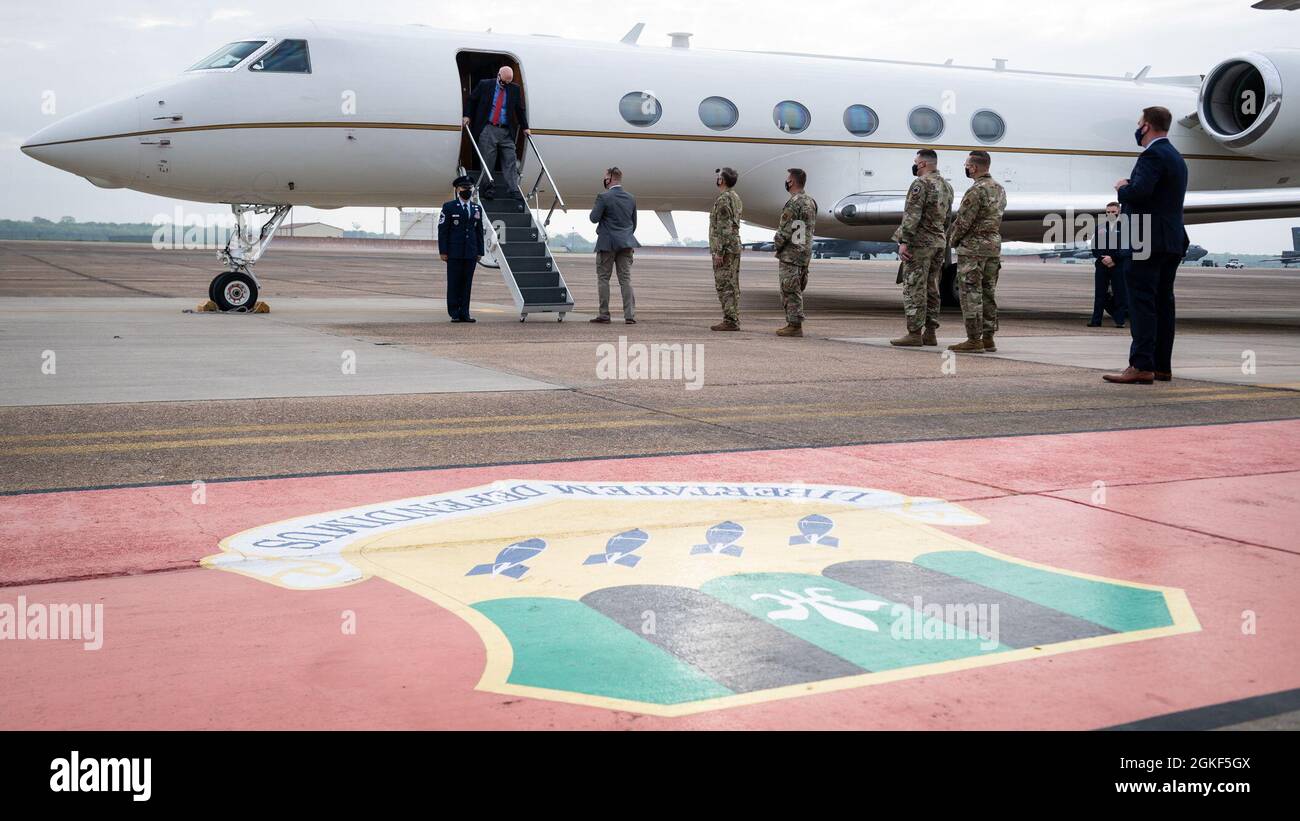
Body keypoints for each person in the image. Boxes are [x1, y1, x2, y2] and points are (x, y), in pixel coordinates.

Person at [1104, 106, 1188, 385]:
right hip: (1171, 241)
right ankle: (1162, 366)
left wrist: (1122, 187)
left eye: (1140, 123)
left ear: (1148, 126)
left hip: (1146, 241)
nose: (1138, 127)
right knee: (1164, 304)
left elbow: (1140, 192)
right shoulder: (1176, 158)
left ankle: (1140, 366)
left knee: (1142, 304)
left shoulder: (1152, 155)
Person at [890, 149, 953, 347]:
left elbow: (912, 215)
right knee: (932, 287)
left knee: (914, 287)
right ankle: (930, 332)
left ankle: (914, 333)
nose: (915, 165)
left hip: (919, 244)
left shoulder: (920, 184)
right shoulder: (947, 186)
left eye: (916, 161)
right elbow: (948, 218)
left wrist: (904, 241)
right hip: (938, 243)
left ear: (923, 164)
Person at [946, 150, 1007, 353]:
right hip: (992, 248)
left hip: (973, 249)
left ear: (974, 167)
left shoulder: (975, 191)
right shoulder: (999, 189)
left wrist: (952, 241)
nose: (966, 168)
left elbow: (963, 221)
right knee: (988, 293)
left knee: (971, 293)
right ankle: (988, 338)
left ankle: (974, 339)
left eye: (967, 165)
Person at [462, 66, 529, 200]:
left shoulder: (514, 89)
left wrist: (525, 127)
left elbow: (519, 109)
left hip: (506, 130)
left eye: (508, 83)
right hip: (489, 128)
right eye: (504, 82)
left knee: (510, 158)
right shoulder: (485, 85)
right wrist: (467, 115)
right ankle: (488, 188)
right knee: (488, 159)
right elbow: (471, 100)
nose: (506, 85)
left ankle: (513, 189)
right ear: (498, 76)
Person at [588, 167, 639, 324]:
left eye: (605, 178)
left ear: (609, 179)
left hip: (607, 244)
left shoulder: (603, 197)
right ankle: (629, 316)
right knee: (626, 280)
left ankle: (604, 314)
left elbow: (593, 218)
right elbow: (634, 223)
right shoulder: (631, 198)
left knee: (603, 278)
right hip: (626, 243)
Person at [772, 168, 817, 338]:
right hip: (804, 252)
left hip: (791, 253)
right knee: (796, 286)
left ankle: (794, 325)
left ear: (792, 182)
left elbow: (786, 229)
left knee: (790, 288)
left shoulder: (794, 203)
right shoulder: (810, 202)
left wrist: (777, 245)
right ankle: (794, 323)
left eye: (787, 179)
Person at [437, 174, 484, 323]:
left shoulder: (476, 208)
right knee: (454, 283)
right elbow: (443, 230)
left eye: (469, 188)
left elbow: (479, 231)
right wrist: (443, 251)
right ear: (457, 189)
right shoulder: (449, 207)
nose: (467, 190)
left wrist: (480, 251)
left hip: (470, 252)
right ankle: (454, 313)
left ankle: (465, 313)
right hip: (454, 252)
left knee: (466, 283)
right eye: (464, 188)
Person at [709, 167, 743, 331]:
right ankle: (732, 318)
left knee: (725, 285)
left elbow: (723, 227)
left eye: (718, 176)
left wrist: (719, 252)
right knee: (732, 284)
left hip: (726, 248)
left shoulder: (723, 199)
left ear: (722, 180)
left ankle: (730, 320)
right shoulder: (735, 197)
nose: (716, 179)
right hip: (734, 246)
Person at [1090, 202, 1130, 328]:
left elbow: (1126, 248)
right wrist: (1103, 258)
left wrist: (1113, 258)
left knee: (1120, 293)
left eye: (1113, 211)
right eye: (1108, 212)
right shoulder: (1100, 228)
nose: (1110, 214)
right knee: (1100, 294)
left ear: (1119, 212)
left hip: (1118, 265)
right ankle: (1096, 321)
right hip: (1102, 265)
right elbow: (1094, 247)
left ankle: (1120, 321)